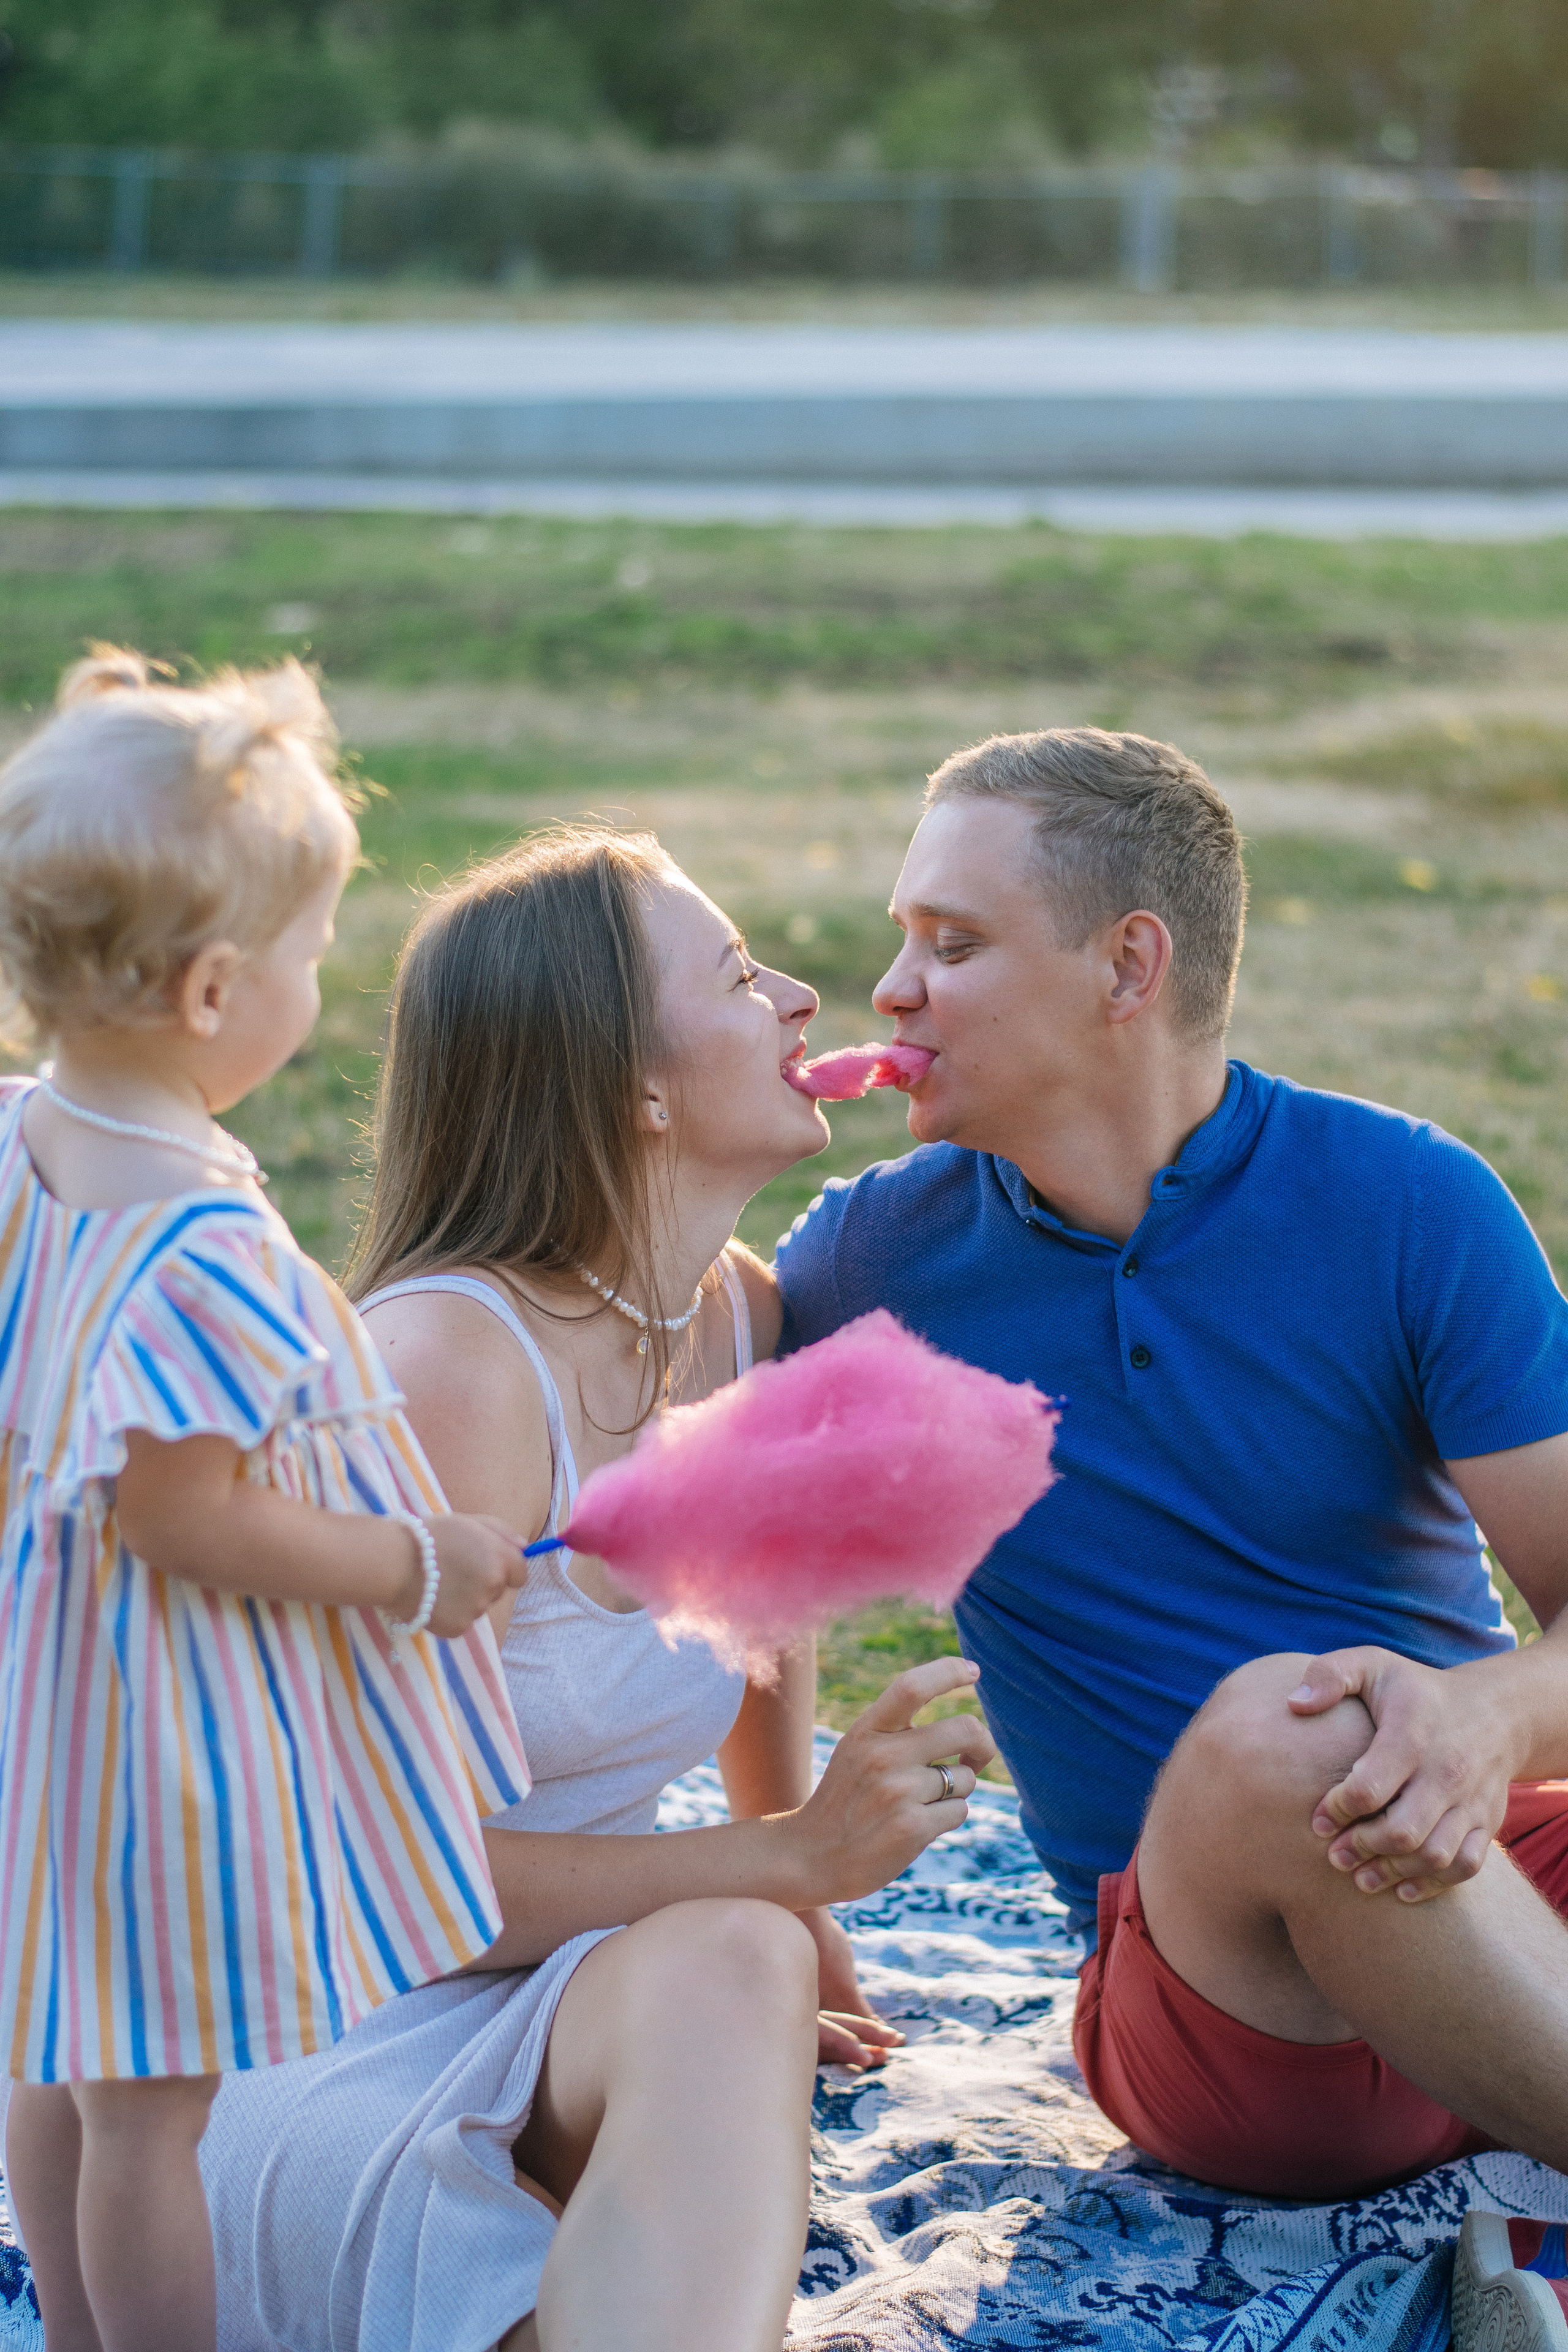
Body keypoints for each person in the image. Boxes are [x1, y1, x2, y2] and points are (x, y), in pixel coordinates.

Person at [200, 826, 995, 2352]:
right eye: (741, 973)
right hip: (321, 2029)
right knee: (738, 1938)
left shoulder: (738, 1317)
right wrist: (784, 1862)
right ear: (626, 1085)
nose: (805, 999)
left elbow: (751, 1631)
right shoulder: (448, 1374)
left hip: (566, 1992)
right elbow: (373, 1880)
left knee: (746, 1950)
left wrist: (794, 1876)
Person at [774, 725, 1568, 2225]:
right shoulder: (870, 1262)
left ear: (1126, 967)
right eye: (904, 943)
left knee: (1343, 1726)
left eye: (950, 945)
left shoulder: (1408, 1204)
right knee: (1287, 1734)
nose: (890, 992)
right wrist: (785, 1878)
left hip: (1492, 1869)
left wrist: (1479, 1717)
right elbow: (731, 1557)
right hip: (1231, 2008)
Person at [0, 651, 533, 2352]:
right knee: (156, 2107)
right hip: (143, 1733)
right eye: (312, 952)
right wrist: (410, 1563)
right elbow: (186, 1518)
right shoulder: (204, 1249)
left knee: (58, 2054)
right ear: (218, 991)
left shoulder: (24, 1139)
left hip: (39, 1687)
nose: (325, 978)